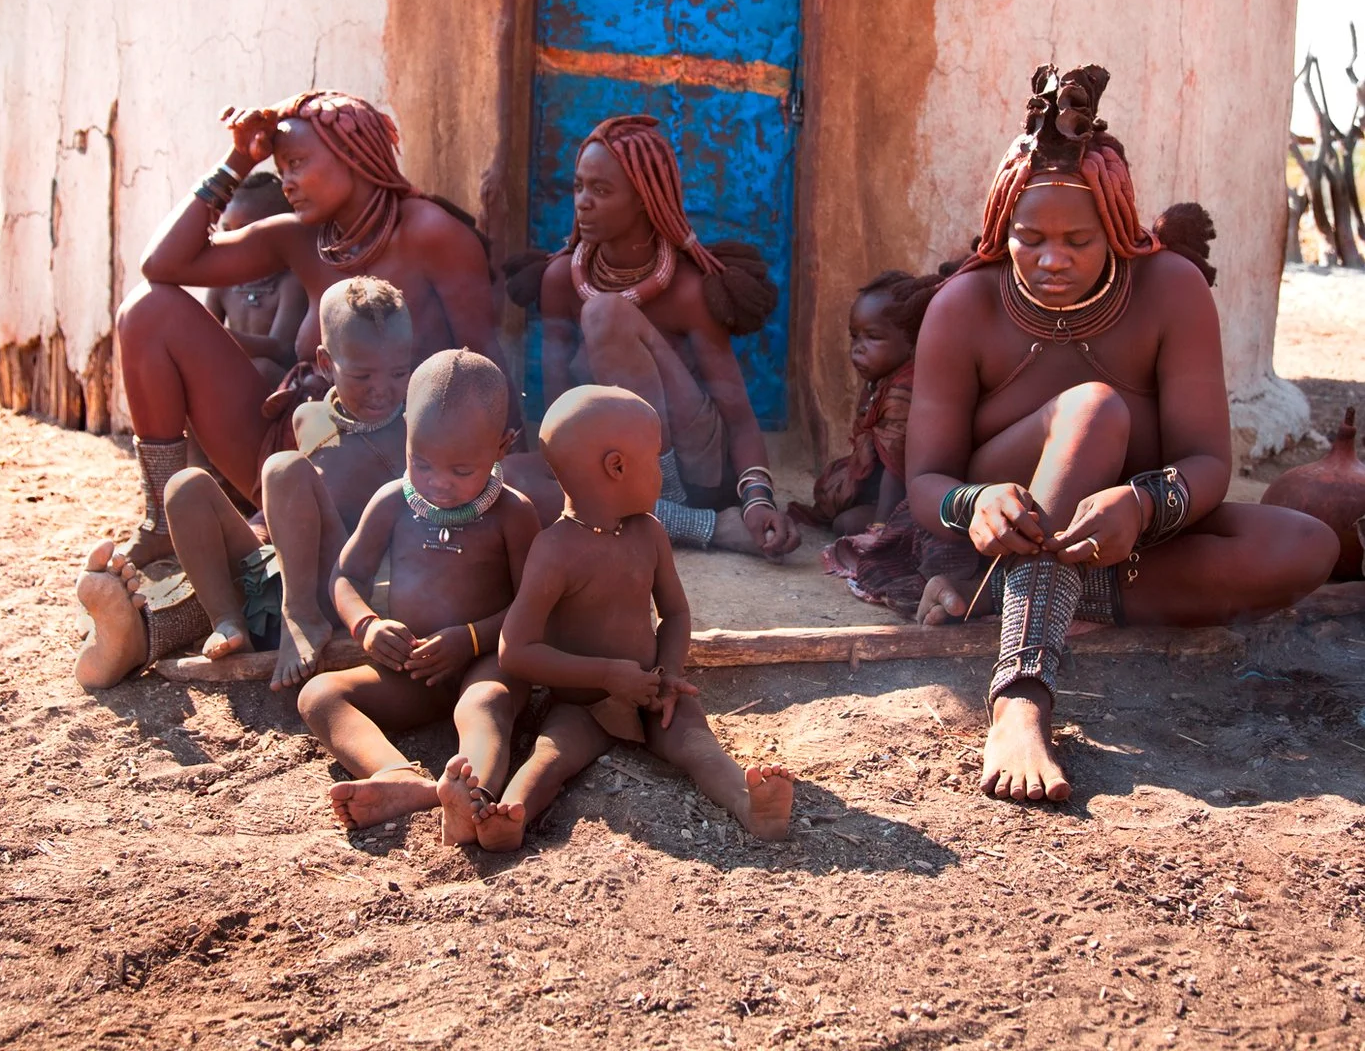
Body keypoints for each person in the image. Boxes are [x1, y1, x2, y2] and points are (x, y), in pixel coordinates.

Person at [905, 64, 1337, 805]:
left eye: (1078, 239)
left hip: (1121, 530)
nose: (1050, 259)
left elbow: (1207, 462)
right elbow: (924, 483)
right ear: (1000, 229)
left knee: (1307, 545)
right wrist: (973, 504)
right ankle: (1020, 695)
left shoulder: (1170, 290)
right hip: (1005, 527)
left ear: (1116, 227)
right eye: (1028, 237)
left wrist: (1139, 507)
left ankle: (1021, 596)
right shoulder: (962, 305)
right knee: (1095, 410)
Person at [114, 89, 521, 568]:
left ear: (353, 157)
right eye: (280, 167)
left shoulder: (432, 234)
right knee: (147, 310)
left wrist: (503, 484)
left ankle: (277, 540)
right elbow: (161, 264)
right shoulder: (300, 237)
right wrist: (238, 160)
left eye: (298, 163)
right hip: (290, 449)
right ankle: (163, 522)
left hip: (396, 467)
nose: (286, 181)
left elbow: (488, 362)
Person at [467, 385, 795, 853]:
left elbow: (676, 613)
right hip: (583, 703)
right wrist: (605, 675)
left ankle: (750, 806)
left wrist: (669, 673)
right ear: (617, 467)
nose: (664, 473)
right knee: (551, 757)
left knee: (698, 746)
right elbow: (515, 652)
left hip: (651, 695)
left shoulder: (649, 533)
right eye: (657, 458)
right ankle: (511, 813)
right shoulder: (555, 551)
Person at [73, 276, 412, 690]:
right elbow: (297, 505)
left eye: (398, 372)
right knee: (186, 488)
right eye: (362, 376)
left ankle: (300, 616)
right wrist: (259, 533)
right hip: (286, 569)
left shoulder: (415, 427)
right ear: (325, 364)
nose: (382, 389)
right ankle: (228, 622)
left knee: (282, 468)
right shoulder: (309, 417)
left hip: (350, 585)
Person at [507, 115, 800, 560]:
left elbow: (738, 417)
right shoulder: (558, 280)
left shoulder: (687, 288)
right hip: (607, 460)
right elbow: (556, 417)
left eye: (602, 191)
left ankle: (651, 502)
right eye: (578, 187)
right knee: (503, 480)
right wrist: (564, 475)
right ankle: (710, 529)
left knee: (605, 313)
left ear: (644, 201)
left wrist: (758, 498)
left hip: (686, 467)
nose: (583, 203)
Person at [302, 349, 540, 839]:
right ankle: (397, 774)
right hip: (413, 669)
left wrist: (472, 639)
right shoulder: (392, 501)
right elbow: (347, 577)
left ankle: (471, 799)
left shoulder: (513, 515)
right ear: (406, 429)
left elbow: (533, 606)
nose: (438, 483)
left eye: (461, 470)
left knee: (487, 704)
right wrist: (368, 627)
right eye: (422, 462)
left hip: (484, 663)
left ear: (502, 446)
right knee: (319, 695)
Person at [789, 265, 954, 536]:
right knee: (831, 487)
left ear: (912, 342)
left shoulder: (907, 387)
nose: (858, 347)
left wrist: (880, 528)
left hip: (908, 495)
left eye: (873, 337)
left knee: (846, 524)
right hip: (881, 490)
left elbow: (895, 464)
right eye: (855, 336)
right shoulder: (880, 379)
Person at [202, 172, 307, 390]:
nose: (233, 240)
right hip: (232, 381)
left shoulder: (291, 283)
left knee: (262, 368)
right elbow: (202, 334)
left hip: (278, 386)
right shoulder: (222, 283)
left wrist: (221, 337)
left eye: (246, 230)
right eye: (227, 230)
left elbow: (281, 349)